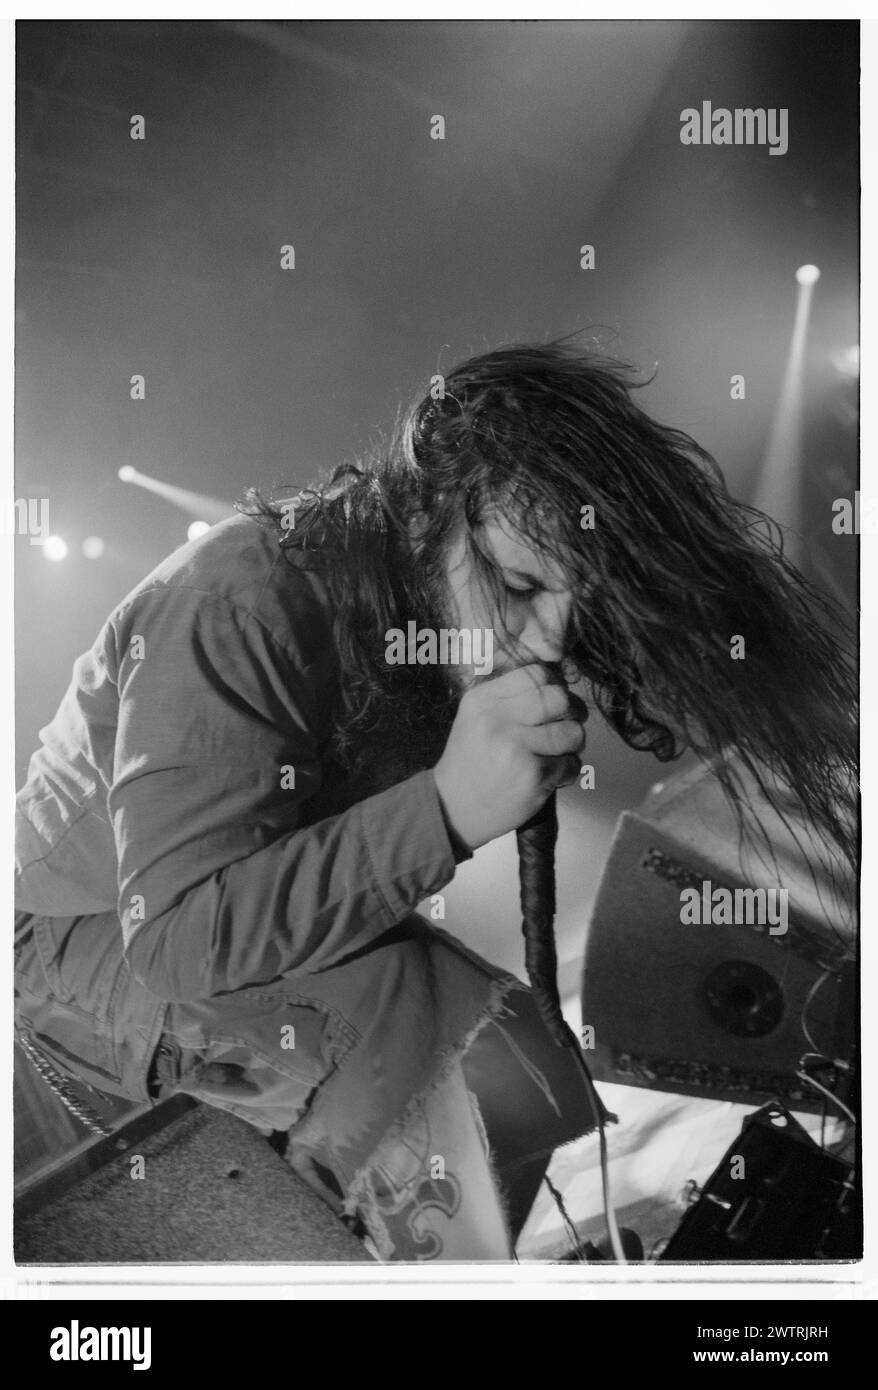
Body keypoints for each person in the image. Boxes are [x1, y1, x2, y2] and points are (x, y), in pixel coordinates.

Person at [14, 340, 857, 1261]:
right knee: (404, 1022)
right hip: (79, 934)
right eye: (520, 586)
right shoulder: (234, 601)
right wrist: (446, 808)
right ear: (426, 516)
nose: (549, 639)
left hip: (212, 914)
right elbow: (176, 937)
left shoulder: (425, 610)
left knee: (517, 1056)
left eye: (576, 604)